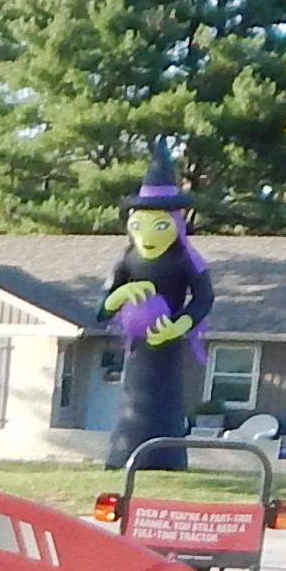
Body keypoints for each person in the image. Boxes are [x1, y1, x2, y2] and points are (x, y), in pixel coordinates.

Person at [102, 147, 214, 472]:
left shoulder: (186, 260)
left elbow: (204, 297)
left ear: (175, 224)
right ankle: (123, 455)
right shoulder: (127, 259)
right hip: (136, 344)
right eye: (138, 224)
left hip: (167, 341)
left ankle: (166, 458)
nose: (146, 234)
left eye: (159, 225)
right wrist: (122, 293)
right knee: (132, 401)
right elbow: (102, 307)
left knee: (165, 399)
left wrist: (180, 325)